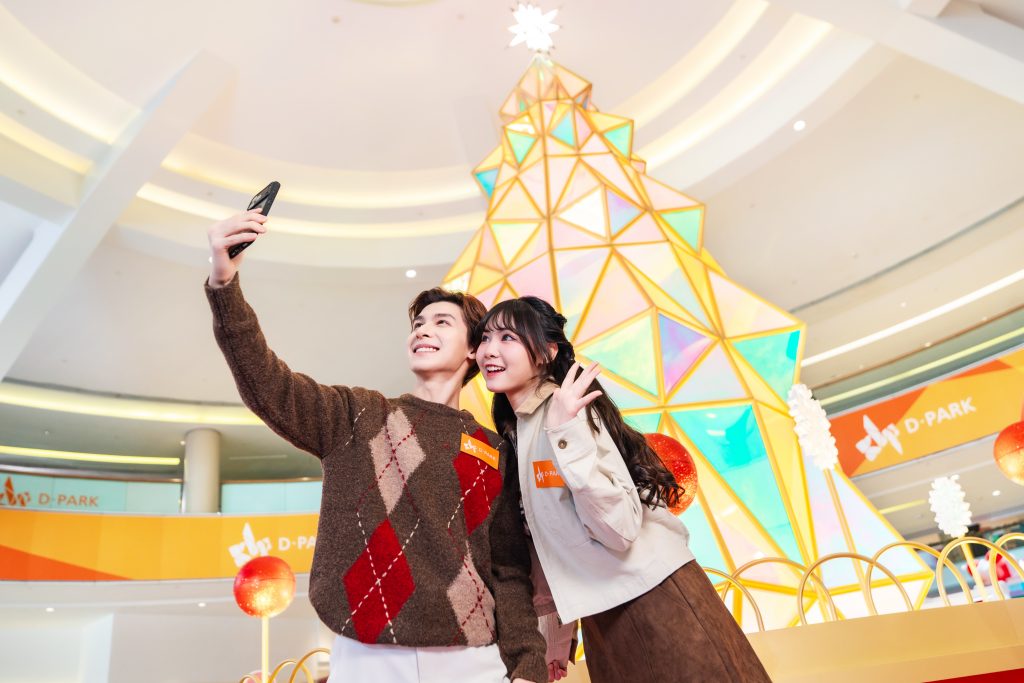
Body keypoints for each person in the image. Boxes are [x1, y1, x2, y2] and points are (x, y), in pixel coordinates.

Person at [204, 210, 545, 683]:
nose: (422, 330)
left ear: (474, 349)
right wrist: (224, 284)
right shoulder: (358, 415)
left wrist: (528, 666)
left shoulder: (495, 449)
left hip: (473, 659)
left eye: (442, 322)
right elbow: (267, 384)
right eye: (418, 323)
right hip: (368, 656)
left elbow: (509, 569)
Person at [475, 296, 773, 683]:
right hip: (605, 613)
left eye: (507, 337)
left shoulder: (567, 413)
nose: (489, 350)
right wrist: (554, 636)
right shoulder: (521, 431)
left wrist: (566, 433)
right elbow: (553, 544)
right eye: (485, 338)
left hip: (654, 598)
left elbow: (619, 529)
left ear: (548, 352)